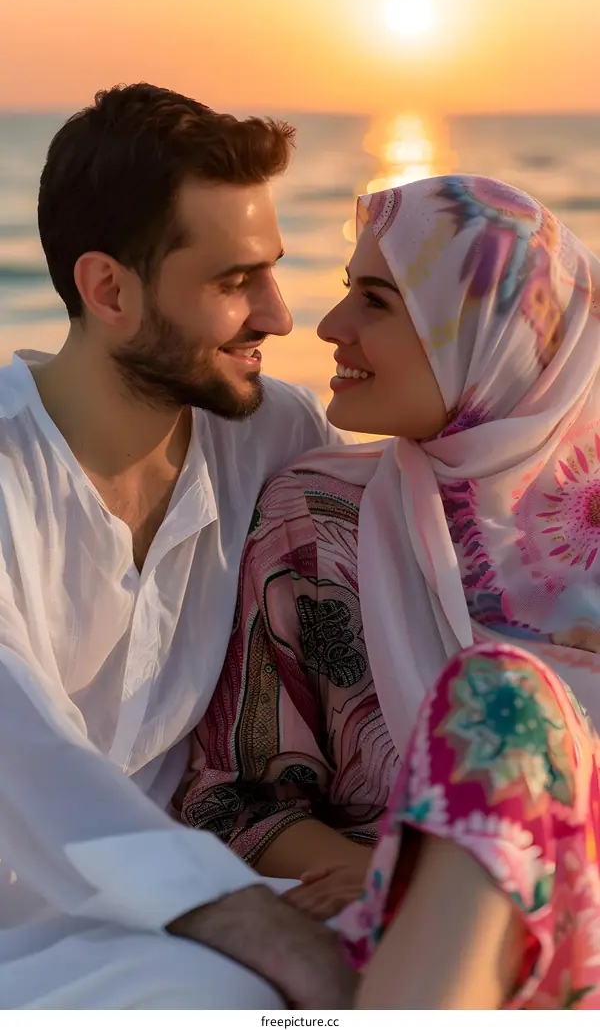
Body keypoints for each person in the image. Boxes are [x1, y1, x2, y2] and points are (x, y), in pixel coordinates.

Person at [183, 175, 600, 1005]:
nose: (329, 327)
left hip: (566, 921)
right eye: (346, 292)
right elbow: (231, 800)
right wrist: (399, 872)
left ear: (496, 335)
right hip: (421, 932)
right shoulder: (313, 517)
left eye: (377, 300)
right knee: (503, 694)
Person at [0, 82, 356, 1010]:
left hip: (191, 910)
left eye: (272, 270)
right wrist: (240, 914)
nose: (281, 315)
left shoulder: (273, 430)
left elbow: (392, 568)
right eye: (235, 281)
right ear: (109, 288)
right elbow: (17, 739)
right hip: (48, 932)